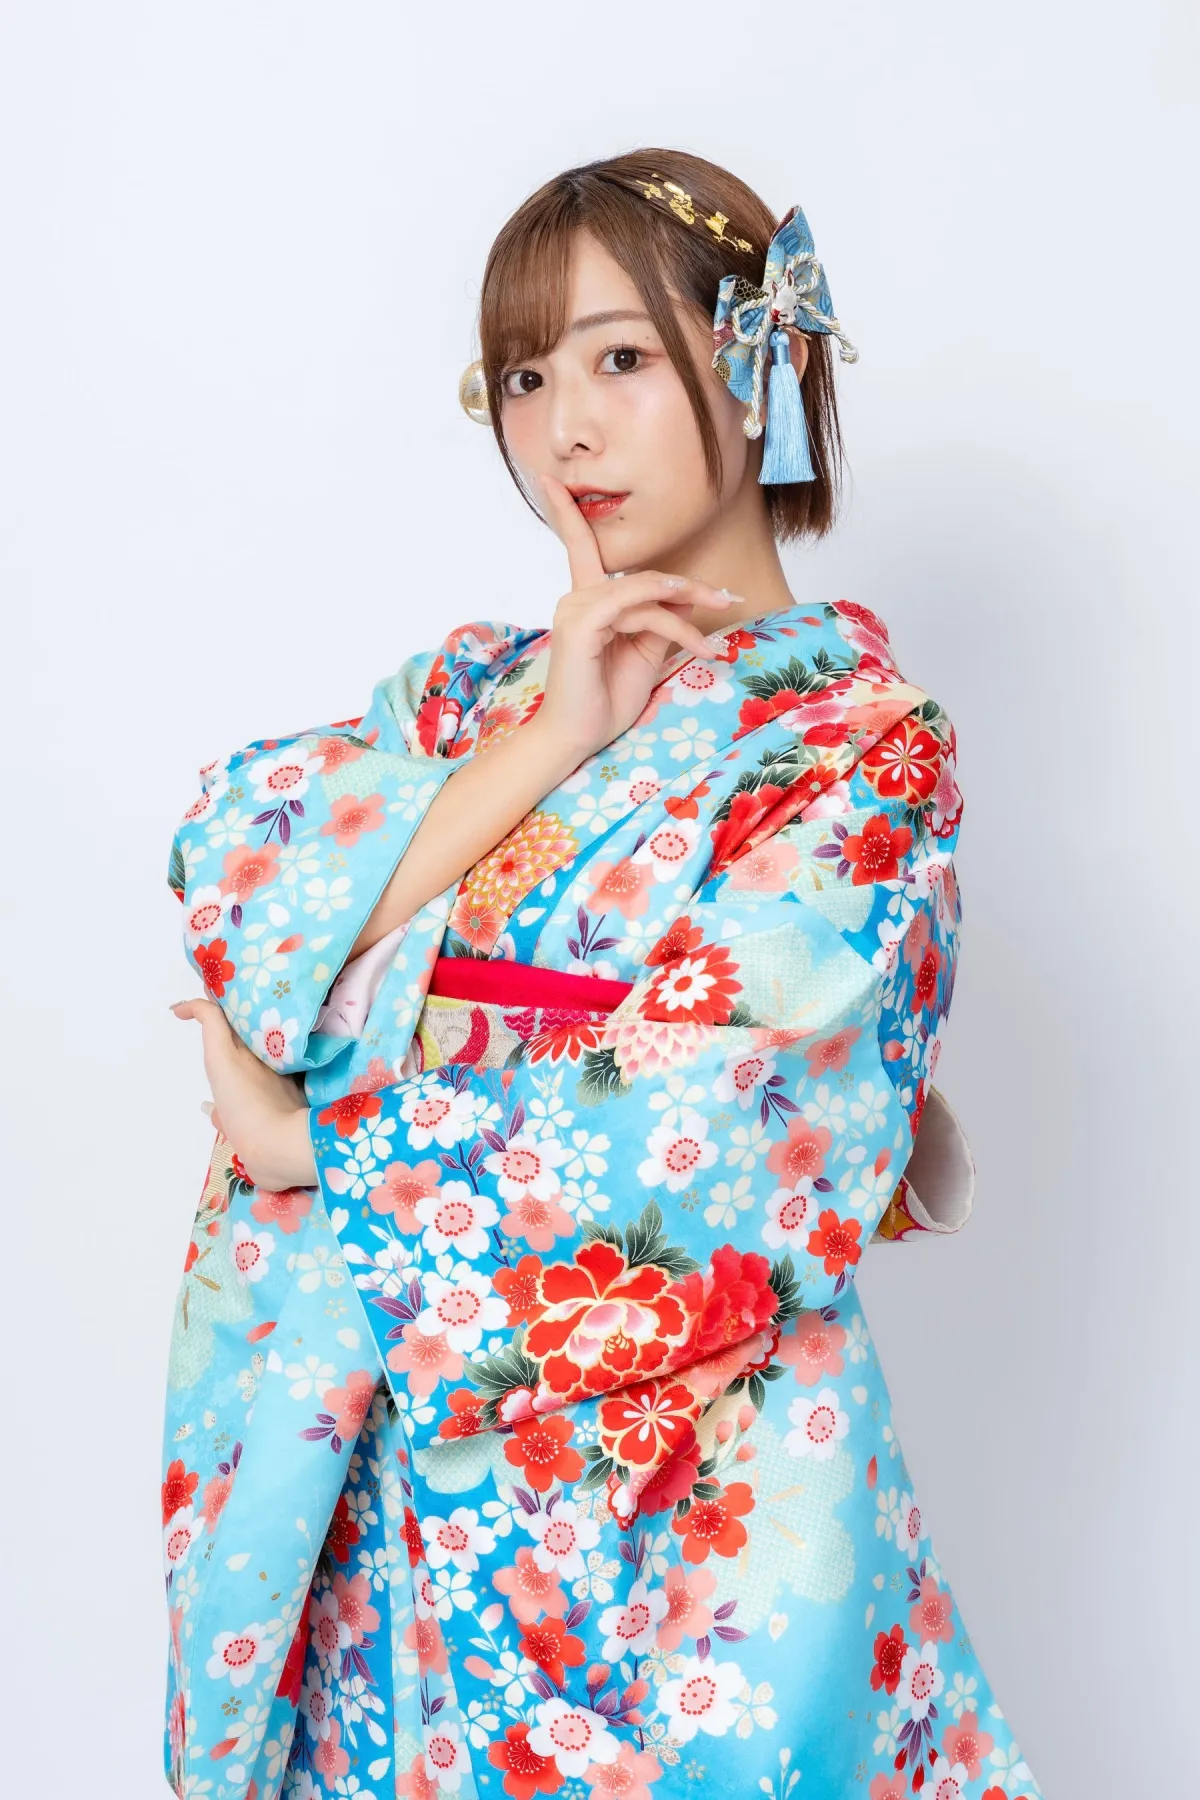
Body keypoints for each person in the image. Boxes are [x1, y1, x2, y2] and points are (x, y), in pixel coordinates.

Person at [162, 150, 1042, 1800]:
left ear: (761, 362)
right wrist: (554, 734)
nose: (563, 427)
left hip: (685, 1487)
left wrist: (310, 1147)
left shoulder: (858, 751)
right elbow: (245, 889)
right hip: (394, 1476)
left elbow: (736, 1130)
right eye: (522, 375)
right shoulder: (466, 702)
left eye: (620, 357)